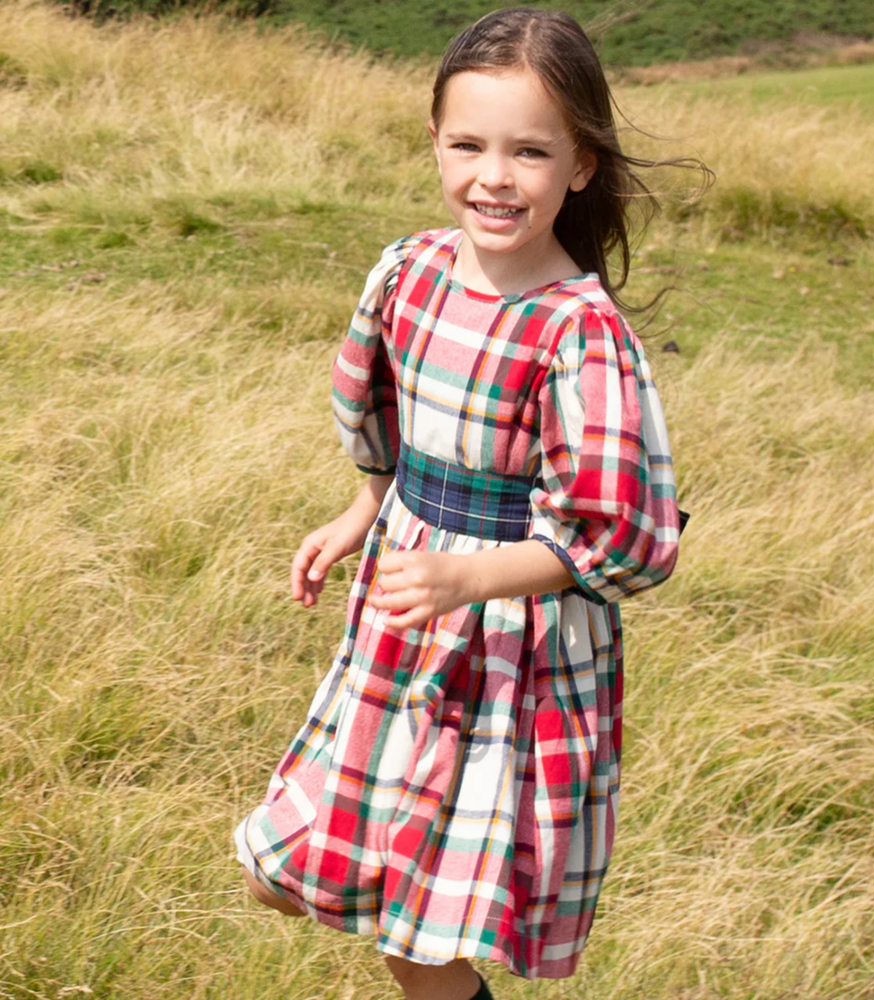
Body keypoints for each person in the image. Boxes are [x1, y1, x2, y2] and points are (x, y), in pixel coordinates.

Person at [235, 8, 691, 999]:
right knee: (299, 869)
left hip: (506, 652)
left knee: (419, 919)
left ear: (578, 166)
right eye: (468, 144)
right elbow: (382, 412)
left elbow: (620, 539)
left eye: (529, 151)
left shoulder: (578, 332)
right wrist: (362, 513)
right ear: (434, 142)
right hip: (402, 620)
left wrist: (466, 575)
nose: (494, 175)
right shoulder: (410, 271)